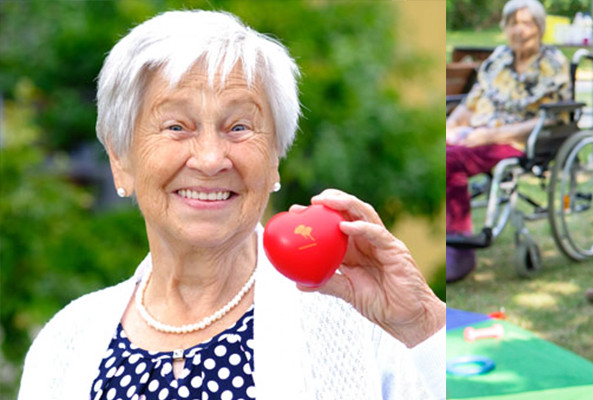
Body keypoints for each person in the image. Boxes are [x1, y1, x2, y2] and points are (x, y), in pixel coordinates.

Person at [20, 10, 443, 398]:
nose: (209, 159)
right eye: (176, 126)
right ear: (120, 159)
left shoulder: (359, 317)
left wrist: (423, 321)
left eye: (239, 126)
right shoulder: (66, 342)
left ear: (275, 158)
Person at [443, 0, 571, 282]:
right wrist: (450, 126)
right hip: (476, 133)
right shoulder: (498, 59)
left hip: (516, 139)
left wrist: (491, 135)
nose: (519, 30)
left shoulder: (552, 63)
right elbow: (472, 102)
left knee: (449, 161)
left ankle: (459, 249)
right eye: (513, 23)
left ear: (539, 28)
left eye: (526, 23)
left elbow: (552, 118)